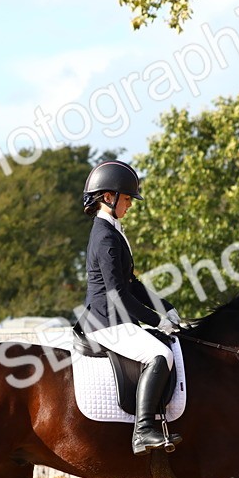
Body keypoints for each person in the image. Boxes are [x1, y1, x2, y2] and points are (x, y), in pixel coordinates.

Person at [80, 160, 183, 455]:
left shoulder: (113, 231)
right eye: (126, 199)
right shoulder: (105, 237)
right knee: (160, 354)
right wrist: (155, 320)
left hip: (115, 318)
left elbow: (131, 283)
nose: (129, 205)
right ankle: (144, 430)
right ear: (108, 197)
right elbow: (116, 294)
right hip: (106, 322)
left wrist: (166, 307)